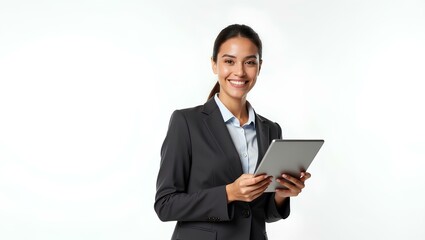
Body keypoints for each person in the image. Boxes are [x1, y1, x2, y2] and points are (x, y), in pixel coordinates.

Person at [154, 24, 311, 240]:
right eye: (229, 61)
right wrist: (229, 193)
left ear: (259, 66)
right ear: (214, 64)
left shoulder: (271, 129)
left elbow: (262, 213)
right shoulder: (186, 122)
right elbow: (165, 205)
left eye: (249, 62)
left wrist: (281, 196)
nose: (239, 71)